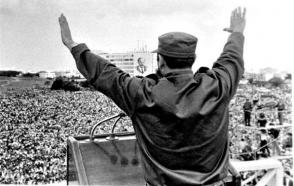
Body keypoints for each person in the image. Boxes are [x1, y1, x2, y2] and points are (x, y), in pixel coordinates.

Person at [59, 7, 246, 186]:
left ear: (161, 60)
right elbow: (231, 58)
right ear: (193, 59)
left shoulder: (142, 94)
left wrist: (73, 46)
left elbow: (106, 74)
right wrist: (236, 33)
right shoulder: (218, 86)